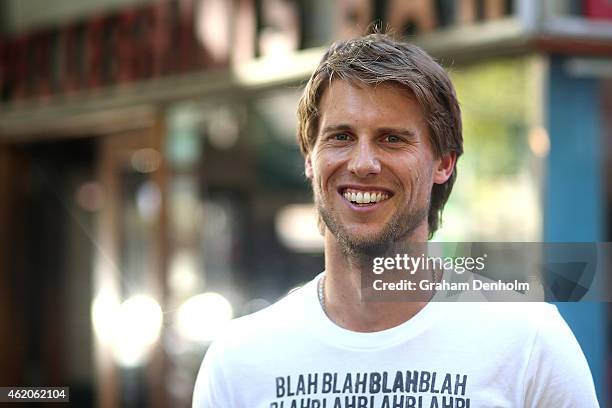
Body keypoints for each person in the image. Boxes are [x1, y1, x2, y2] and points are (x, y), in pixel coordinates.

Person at [193, 33, 599, 407]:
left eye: (392, 138)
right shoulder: (239, 361)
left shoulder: (527, 342)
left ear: (443, 163)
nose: (363, 163)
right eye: (340, 137)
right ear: (309, 161)